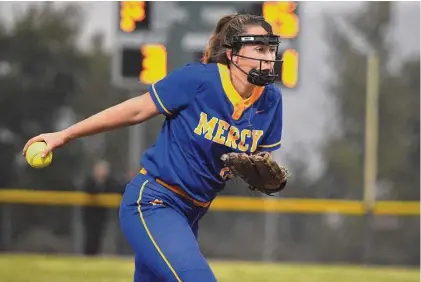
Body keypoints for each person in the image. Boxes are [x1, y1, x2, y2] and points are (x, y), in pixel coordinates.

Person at [23, 13, 286, 282]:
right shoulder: (199, 80)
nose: (268, 57)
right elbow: (136, 110)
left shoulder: (271, 100)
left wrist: (268, 181)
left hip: (191, 215)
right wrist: (65, 135)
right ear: (233, 54)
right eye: (259, 49)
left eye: (271, 49)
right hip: (154, 202)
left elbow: (261, 162)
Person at [81, 160, 120, 255]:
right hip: (89, 215)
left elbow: (118, 189)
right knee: (90, 236)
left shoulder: (109, 183)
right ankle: (87, 256)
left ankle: (95, 256)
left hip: (101, 215)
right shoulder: (89, 182)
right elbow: (89, 191)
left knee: (99, 236)